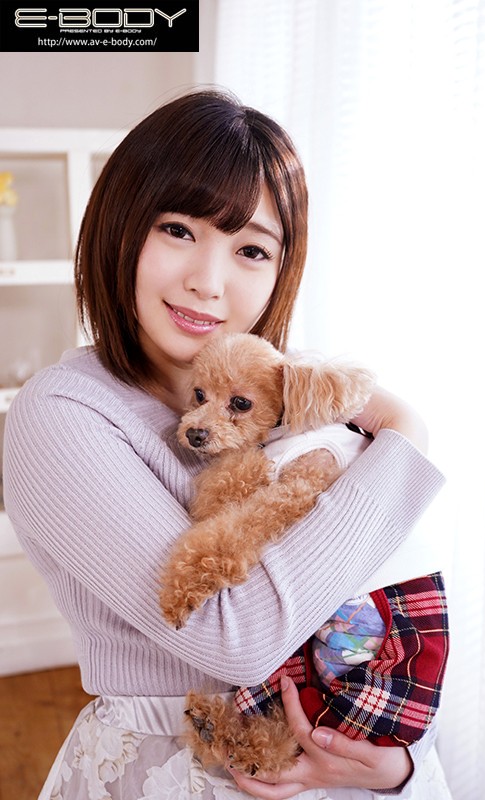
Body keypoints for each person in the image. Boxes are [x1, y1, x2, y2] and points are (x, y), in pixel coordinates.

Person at [3, 88, 451, 799]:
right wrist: (404, 435)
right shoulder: (63, 415)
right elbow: (233, 638)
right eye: (178, 230)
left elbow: (377, 604)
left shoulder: (281, 388)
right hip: (178, 767)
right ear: (120, 227)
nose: (207, 283)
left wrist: (391, 763)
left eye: (250, 249)